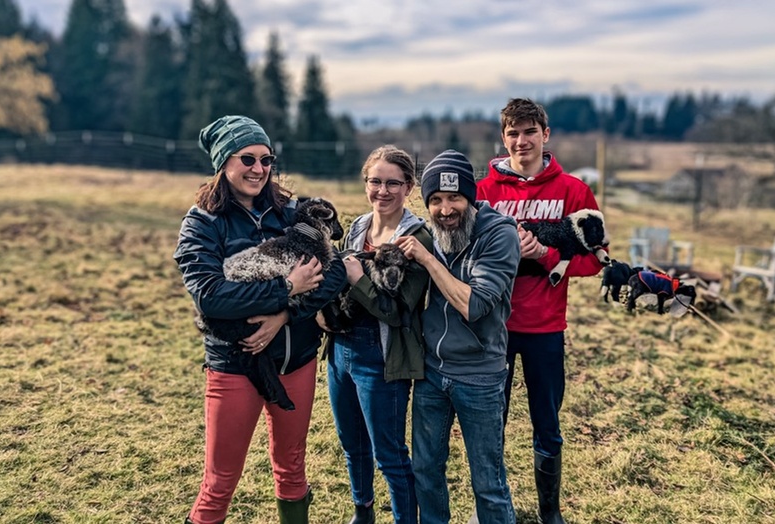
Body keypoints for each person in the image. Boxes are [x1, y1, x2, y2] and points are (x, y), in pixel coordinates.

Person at [173, 115, 346, 524]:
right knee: (220, 481)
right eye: (247, 158)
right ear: (223, 163)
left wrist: (283, 315)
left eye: (267, 159)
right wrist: (286, 288)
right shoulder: (202, 223)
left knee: (292, 468)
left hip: (296, 360)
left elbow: (334, 270)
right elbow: (211, 297)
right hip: (236, 365)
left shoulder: (290, 213)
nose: (258, 169)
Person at [475, 98, 606, 524]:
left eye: (530, 131)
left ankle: (550, 512)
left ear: (545, 135)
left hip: (546, 328)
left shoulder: (573, 191)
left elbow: (595, 260)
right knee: (490, 424)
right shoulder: (484, 192)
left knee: (546, 423)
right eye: (513, 132)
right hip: (493, 327)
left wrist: (548, 255)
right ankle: (492, 508)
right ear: (503, 138)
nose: (521, 140)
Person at [395, 149, 521, 524]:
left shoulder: (499, 235)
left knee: (488, 482)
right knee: (426, 472)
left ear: (471, 197)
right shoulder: (431, 232)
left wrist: (428, 259)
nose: (446, 209)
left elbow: (475, 304)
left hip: (480, 375)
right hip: (433, 373)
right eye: (436, 200)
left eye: (455, 198)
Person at [320, 145, 432, 524]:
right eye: (375, 181)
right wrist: (323, 315)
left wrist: (358, 280)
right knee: (352, 444)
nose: (382, 191)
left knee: (389, 454)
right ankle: (362, 512)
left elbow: (399, 311)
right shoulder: (358, 227)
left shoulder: (417, 239)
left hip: (382, 356)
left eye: (392, 183)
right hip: (341, 350)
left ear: (409, 187)